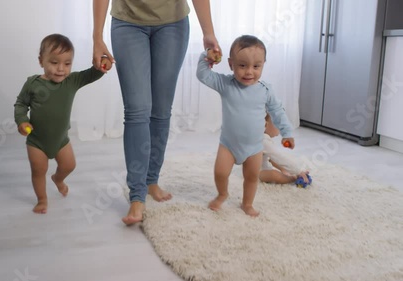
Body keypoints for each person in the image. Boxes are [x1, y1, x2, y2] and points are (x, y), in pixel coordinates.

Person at [92, 0, 221, 225]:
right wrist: (97, 37)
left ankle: (151, 180)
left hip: (173, 24)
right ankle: (137, 195)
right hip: (127, 23)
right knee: (136, 110)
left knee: (161, 110)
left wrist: (208, 32)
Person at [196, 35, 294, 217]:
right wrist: (206, 56)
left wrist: (287, 132)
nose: (249, 72)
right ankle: (222, 194)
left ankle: (247, 204)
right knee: (220, 172)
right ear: (231, 64)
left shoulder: (265, 89)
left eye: (256, 66)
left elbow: (277, 111)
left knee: (251, 177)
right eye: (242, 65)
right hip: (229, 145)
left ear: (263, 64)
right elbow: (203, 75)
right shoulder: (226, 84)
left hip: (254, 146)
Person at [14, 34, 112, 214]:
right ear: (41, 61)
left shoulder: (72, 81)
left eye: (67, 64)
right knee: (38, 171)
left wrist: (103, 65)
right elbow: (21, 104)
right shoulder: (33, 84)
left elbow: (92, 74)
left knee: (69, 166)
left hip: (61, 140)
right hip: (37, 141)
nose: (61, 69)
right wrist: (22, 121)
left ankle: (58, 179)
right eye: (54, 62)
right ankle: (42, 200)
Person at [260, 113, 310, 185]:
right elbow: (279, 157)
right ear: (266, 125)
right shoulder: (263, 141)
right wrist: (298, 171)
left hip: (260, 169)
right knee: (274, 174)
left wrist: (282, 168)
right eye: (278, 126)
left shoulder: (264, 138)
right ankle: (293, 178)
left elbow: (271, 159)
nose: (280, 129)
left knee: (273, 160)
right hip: (256, 172)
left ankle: (285, 171)